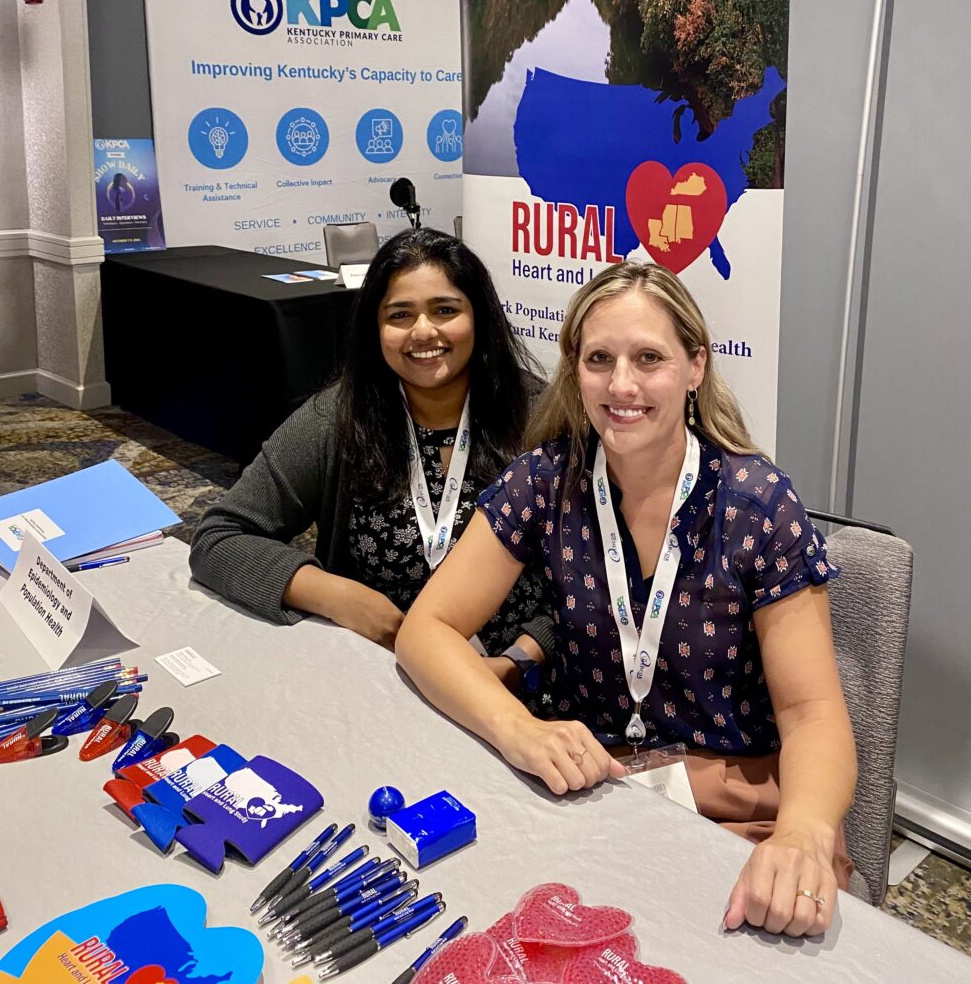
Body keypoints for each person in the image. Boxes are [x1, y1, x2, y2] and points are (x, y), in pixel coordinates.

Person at [396, 261, 857, 939]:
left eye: (649, 358)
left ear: (696, 365)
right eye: (599, 359)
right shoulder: (546, 479)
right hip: (594, 790)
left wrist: (807, 832)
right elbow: (425, 629)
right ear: (573, 368)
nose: (621, 385)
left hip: (737, 803)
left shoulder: (758, 503)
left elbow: (813, 711)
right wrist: (518, 728)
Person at [190, 228, 550, 673]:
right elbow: (219, 537)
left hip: (516, 682)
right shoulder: (339, 417)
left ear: (479, 317)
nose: (423, 331)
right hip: (381, 676)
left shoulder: (541, 418)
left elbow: (597, 571)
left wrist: (521, 662)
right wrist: (340, 597)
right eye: (399, 314)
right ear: (374, 327)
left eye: (445, 310)